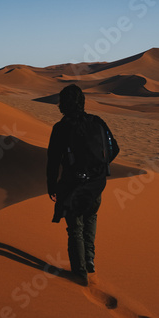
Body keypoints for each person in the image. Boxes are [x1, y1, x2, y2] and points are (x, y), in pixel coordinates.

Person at [46, 84, 119, 285]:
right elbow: (115, 148)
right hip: (96, 184)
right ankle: (89, 259)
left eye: (61, 101)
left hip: (72, 186)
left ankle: (80, 274)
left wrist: (52, 186)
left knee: (75, 228)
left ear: (65, 104)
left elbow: (52, 160)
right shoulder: (98, 122)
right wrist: (99, 168)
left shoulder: (60, 128)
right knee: (91, 217)